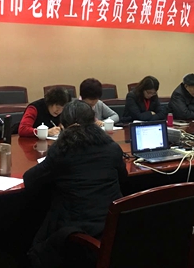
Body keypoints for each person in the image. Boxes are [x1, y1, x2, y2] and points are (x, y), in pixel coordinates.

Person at [24, 100, 127, 267]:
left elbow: (30, 180)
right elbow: (124, 177)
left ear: (63, 126)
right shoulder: (112, 147)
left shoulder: (62, 150)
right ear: (94, 122)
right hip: (114, 227)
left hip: (78, 232)